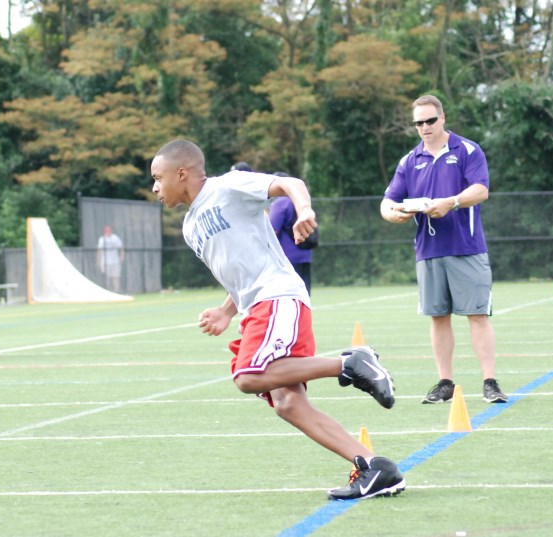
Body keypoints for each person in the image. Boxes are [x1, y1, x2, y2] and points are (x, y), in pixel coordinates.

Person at [151, 139, 405, 500]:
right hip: (257, 307)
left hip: (277, 298)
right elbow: (242, 269)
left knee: (247, 376)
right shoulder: (190, 227)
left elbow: (290, 183)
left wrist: (304, 211)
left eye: (158, 178)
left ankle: (349, 363)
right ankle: (376, 468)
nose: (155, 188)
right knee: (288, 404)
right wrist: (226, 310)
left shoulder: (227, 187)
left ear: (181, 173)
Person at [379, 94, 508, 405]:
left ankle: (490, 382)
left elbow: (481, 190)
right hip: (428, 249)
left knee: (477, 314)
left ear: (443, 118)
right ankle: (445, 383)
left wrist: (451, 202)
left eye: (430, 120)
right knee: (438, 317)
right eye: (418, 123)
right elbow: (387, 201)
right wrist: (392, 214)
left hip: (467, 247)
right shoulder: (409, 160)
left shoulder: (467, 150)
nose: (425, 127)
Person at [269, 172, 313, 295]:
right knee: (304, 294)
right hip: (305, 253)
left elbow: (272, 230)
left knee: (288, 294)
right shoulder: (301, 201)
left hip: (287, 256)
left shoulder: (281, 203)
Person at [97, 225, 125, 292]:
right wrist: (99, 260)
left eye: (109, 231)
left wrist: (122, 256)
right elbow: (99, 250)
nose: (108, 233)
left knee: (116, 276)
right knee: (106, 277)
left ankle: (117, 290)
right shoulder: (102, 239)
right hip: (105, 262)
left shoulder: (115, 237)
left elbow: (121, 247)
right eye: (107, 232)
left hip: (115, 261)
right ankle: (108, 290)